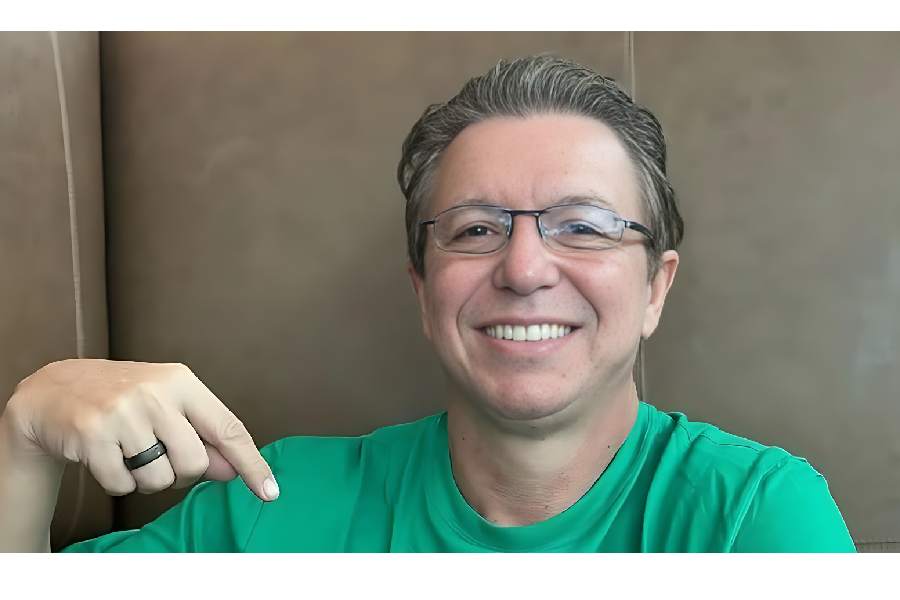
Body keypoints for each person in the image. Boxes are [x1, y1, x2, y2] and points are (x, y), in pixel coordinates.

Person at [0, 55, 855, 552]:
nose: (524, 268)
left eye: (583, 227)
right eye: (477, 229)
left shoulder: (752, 517)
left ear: (656, 287)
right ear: (422, 289)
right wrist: (22, 443)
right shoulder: (274, 506)